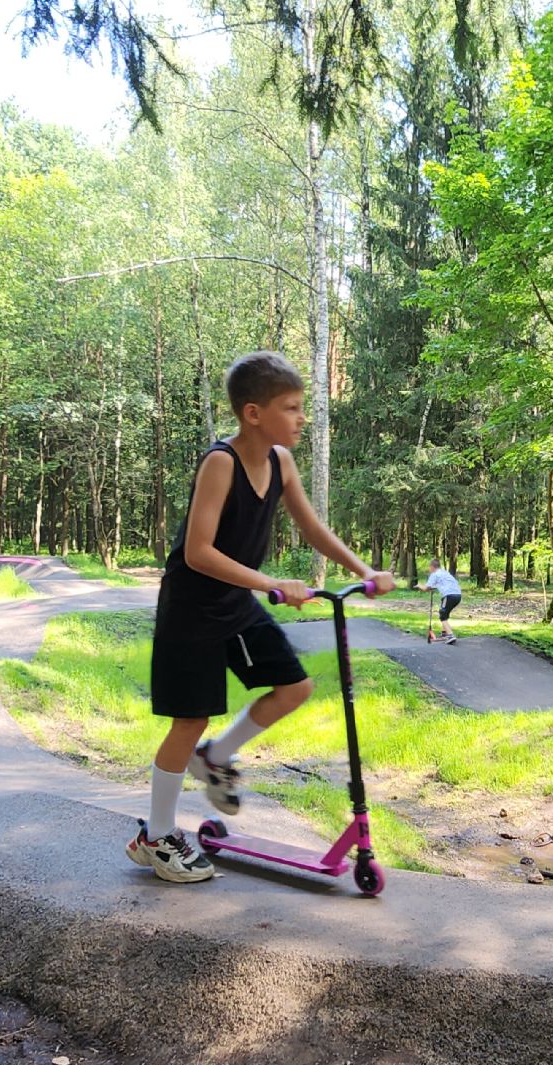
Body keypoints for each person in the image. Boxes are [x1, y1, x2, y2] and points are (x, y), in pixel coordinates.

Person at [127, 351, 396, 883]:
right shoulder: (221, 463)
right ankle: (156, 837)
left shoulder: (282, 462)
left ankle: (216, 758)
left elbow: (312, 528)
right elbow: (199, 552)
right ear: (253, 413)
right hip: (191, 608)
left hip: (236, 603)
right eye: (290, 408)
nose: (301, 418)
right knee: (190, 720)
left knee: (294, 687)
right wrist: (270, 582)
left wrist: (365, 570)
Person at [422, 558, 462, 643]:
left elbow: (426, 588)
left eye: (429, 567)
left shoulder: (434, 574)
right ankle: (444, 633)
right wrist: (432, 588)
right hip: (458, 595)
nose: (429, 569)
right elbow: (443, 584)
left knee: (442, 615)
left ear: (432, 567)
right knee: (446, 613)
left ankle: (450, 635)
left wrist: (418, 586)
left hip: (449, 595)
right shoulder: (445, 573)